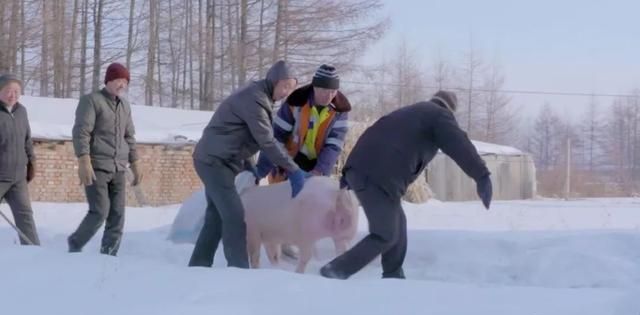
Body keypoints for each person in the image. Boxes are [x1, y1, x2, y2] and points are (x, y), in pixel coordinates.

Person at [319, 90, 493, 280]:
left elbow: (373, 134)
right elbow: (459, 143)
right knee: (385, 234)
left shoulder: (412, 113)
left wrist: (349, 175)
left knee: (398, 224)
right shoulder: (438, 115)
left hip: (364, 173)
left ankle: (393, 276)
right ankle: (335, 270)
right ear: (450, 111)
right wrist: (481, 175)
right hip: (379, 177)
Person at [188, 60, 308, 269]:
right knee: (234, 214)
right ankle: (239, 269)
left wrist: (249, 162)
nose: (287, 92)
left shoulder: (260, 96)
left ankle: (199, 265)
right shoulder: (255, 99)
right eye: (285, 86)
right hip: (214, 161)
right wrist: (293, 169)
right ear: (274, 81)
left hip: (219, 158)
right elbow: (267, 140)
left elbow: (243, 135)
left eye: (292, 87)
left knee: (216, 215)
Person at [68, 62, 143, 256]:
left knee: (118, 215)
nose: (122, 85)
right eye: (119, 80)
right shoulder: (91, 100)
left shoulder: (125, 106)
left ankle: (109, 254)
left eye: (126, 81)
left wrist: (135, 162)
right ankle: (75, 243)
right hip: (97, 166)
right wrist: (83, 160)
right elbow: (81, 131)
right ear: (109, 80)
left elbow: (129, 136)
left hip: (119, 167)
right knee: (100, 211)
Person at [255, 64, 351, 181]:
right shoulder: (296, 101)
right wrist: (260, 170)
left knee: (312, 196)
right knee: (282, 196)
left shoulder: (340, 110)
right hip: (289, 162)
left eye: (333, 91)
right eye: (324, 90)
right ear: (315, 87)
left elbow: (333, 146)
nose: (329, 96)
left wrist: (319, 171)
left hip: (317, 164)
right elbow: (276, 136)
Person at [0, 74, 40, 245]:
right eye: (8, 90)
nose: (13, 95)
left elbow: (27, 139)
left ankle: (33, 250)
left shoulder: (21, 111)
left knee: (25, 215)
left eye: (16, 91)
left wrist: (32, 162)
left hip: (18, 178)